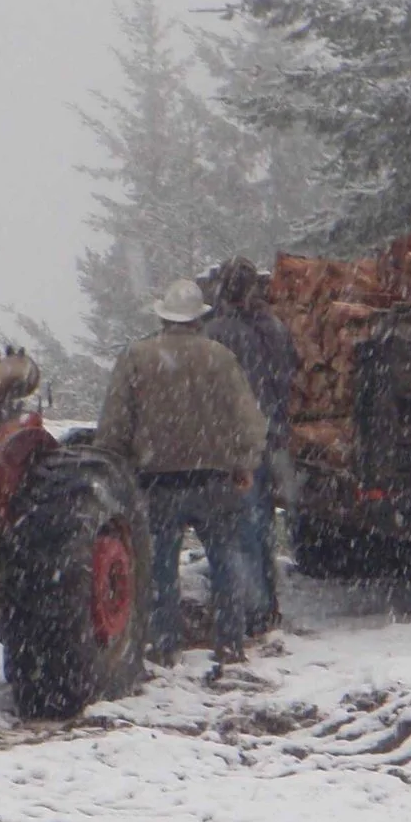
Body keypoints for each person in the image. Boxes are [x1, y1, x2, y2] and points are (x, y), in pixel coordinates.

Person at [96, 277, 269, 670]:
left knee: (159, 566)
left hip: (158, 480)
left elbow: (115, 424)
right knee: (226, 560)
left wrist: (117, 463)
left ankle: (165, 643)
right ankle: (229, 642)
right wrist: (245, 463)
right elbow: (248, 419)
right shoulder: (220, 358)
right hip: (215, 479)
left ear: (163, 317)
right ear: (198, 318)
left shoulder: (137, 357)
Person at [203, 257, 298, 635]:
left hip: (235, 439)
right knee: (261, 524)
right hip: (272, 434)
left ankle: (251, 610)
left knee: (237, 526)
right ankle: (267, 601)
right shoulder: (275, 327)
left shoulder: (217, 332)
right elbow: (290, 371)